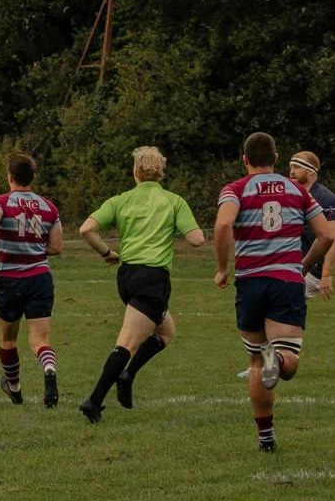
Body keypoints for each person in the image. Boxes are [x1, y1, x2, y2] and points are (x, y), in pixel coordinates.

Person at [214, 132, 331, 453]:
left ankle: (266, 439)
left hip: (250, 283)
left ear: (245, 160)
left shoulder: (234, 189)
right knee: (288, 360)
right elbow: (326, 234)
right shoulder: (297, 190)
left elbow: (224, 225)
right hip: (285, 283)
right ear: (276, 159)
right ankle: (276, 358)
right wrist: (304, 266)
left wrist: (223, 268)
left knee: (256, 361)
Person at [74, 145, 204, 422]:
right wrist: (173, 232)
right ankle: (94, 400)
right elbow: (197, 239)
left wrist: (107, 253)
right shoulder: (173, 201)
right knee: (128, 342)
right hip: (153, 278)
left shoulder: (121, 200)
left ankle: (127, 375)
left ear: (135, 172)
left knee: (166, 332)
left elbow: (87, 229)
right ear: (162, 173)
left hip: (126, 277)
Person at [0, 153, 65, 407]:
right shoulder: (49, 207)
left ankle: (14, 385)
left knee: (8, 338)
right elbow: (57, 247)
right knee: (40, 341)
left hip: (10, 279)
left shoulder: (0, 202)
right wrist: (33, 246)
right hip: (40, 279)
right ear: (32, 177)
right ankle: (48, 369)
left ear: (10, 177)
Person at [290, 151, 335, 301]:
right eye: (291, 167)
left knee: (281, 301)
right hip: (294, 264)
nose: (292, 172)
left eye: (297, 167)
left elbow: (331, 238)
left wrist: (326, 273)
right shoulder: (292, 193)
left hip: (311, 269)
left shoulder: (325, 198)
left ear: (310, 172)